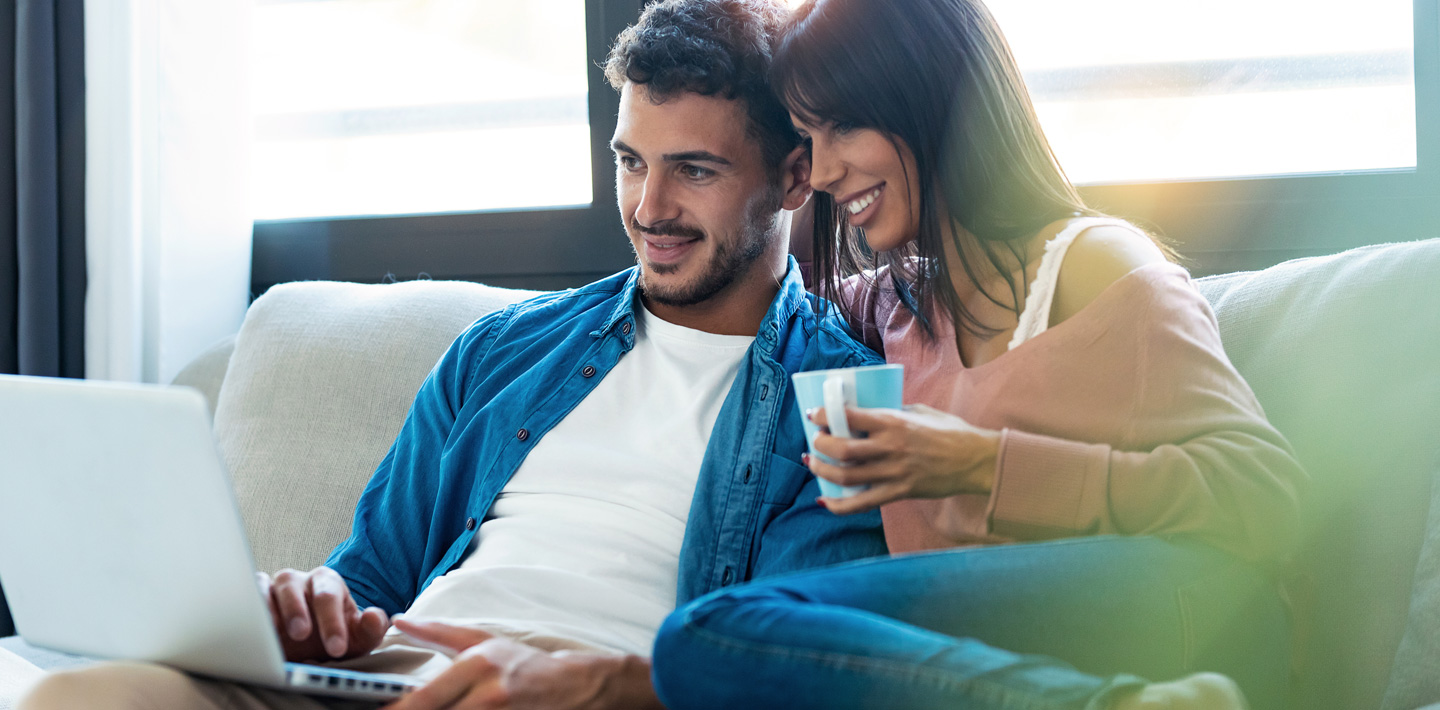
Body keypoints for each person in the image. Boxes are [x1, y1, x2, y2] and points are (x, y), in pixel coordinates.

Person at [16, 1, 888, 708]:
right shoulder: (505, 351)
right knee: (87, 696)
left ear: (791, 178)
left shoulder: (838, 404)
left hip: (579, 685)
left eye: (693, 171)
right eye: (630, 162)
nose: (648, 207)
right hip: (389, 676)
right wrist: (313, 611)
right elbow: (368, 579)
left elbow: (786, 673)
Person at [650, 1, 1308, 709]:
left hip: (1189, 612)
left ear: (934, 98)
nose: (826, 171)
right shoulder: (884, 310)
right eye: (808, 140)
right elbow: (764, 293)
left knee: (714, 631)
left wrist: (977, 463)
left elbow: (1271, 499)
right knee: (711, 644)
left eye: (845, 125)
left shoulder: (1093, 266)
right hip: (1022, 659)